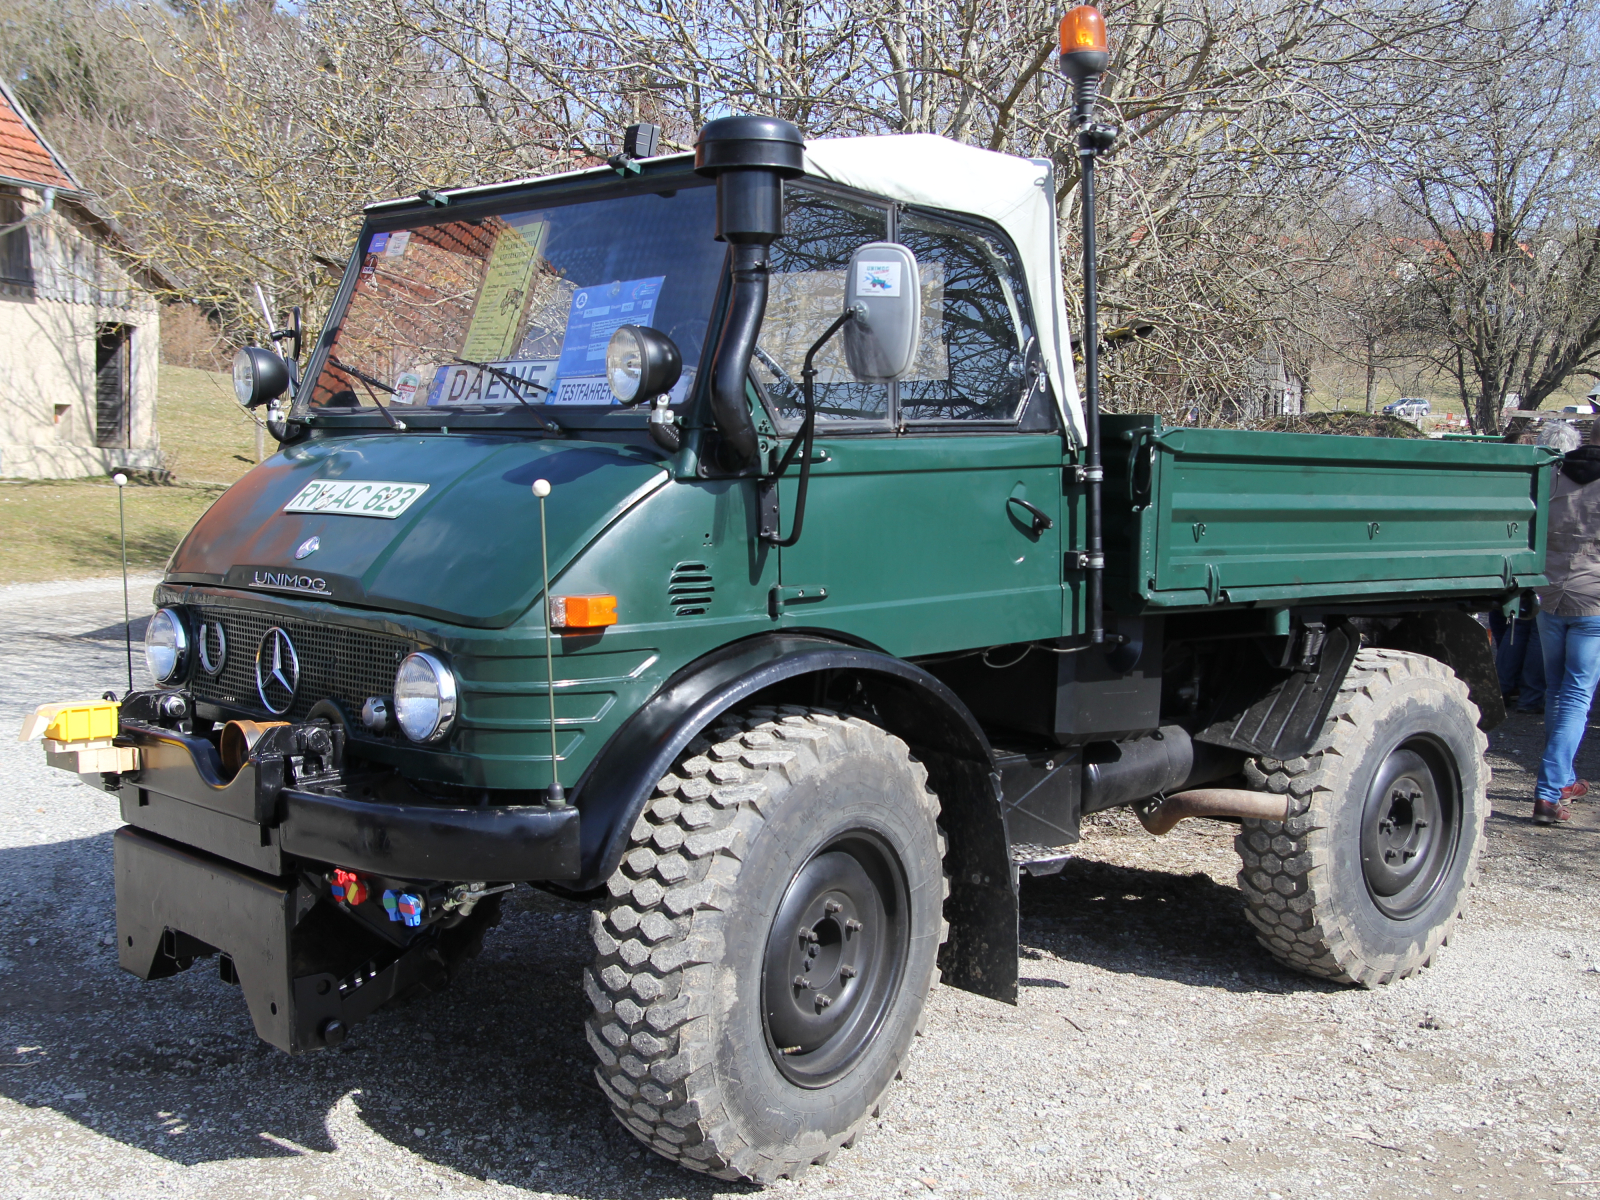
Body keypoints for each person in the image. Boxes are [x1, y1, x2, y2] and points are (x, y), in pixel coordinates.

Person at [1533, 420, 1600, 824]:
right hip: (1592, 603)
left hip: (1549, 597)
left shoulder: (1550, 482)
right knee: (1576, 697)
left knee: (1556, 691)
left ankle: (1565, 778)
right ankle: (1549, 791)